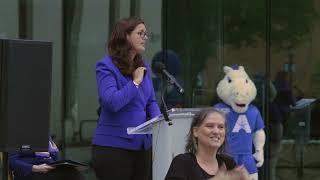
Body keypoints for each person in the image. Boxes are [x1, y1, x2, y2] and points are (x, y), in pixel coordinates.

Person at [91, 17, 161, 180]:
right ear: (125, 36)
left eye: (146, 34)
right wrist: (135, 82)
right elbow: (112, 102)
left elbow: (150, 102)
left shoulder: (143, 66)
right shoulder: (106, 66)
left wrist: (159, 125)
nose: (145, 37)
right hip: (113, 148)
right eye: (140, 33)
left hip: (142, 147)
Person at [165, 109, 250, 180]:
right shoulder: (183, 162)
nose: (216, 131)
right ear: (195, 131)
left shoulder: (228, 163)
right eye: (210, 126)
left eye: (221, 127)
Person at [9, 136, 84, 180]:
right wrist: (35, 168)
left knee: (73, 173)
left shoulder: (45, 134)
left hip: (48, 168)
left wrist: (66, 166)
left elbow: (55, 158)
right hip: (31, 172)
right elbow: (11, 160)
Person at [269, 70, 296, 180]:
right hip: (279, 121)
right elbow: (293, 103)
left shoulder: (274, 87)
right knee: (272, 159)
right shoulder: (286, 89)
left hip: (275, 122)